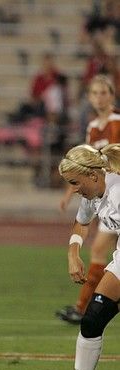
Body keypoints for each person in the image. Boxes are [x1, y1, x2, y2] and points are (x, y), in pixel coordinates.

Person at [48, 143, 120, 370]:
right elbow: (82, 222)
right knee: (92, 320)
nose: (74, 189)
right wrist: (73, 253)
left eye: (76, 183)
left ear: (93, 175)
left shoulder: (118, 192)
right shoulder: (93, 195)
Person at [56, 74, 120, 323]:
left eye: (104, 93)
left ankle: (84, 307)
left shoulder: (116, 121)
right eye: (94, 93)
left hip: (113, 198)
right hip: (104, 198)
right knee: (100, 251)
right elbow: (81, 167)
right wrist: (70, 192)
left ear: (112, 96)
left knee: (98, 250)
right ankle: (85, 307)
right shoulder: (93, 126)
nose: (99, 98)